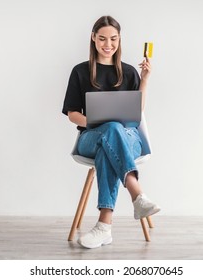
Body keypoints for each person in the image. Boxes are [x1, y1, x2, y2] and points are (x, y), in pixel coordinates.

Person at [62, 15, 160, 249]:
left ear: (119, 40)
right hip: (91, 137)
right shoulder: (80, 71)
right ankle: (137, 194)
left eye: (113, 39)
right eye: (103, 38)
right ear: (93, 38)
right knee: (110, 131)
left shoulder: (128, 72)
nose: (108, 44)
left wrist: (144, 80)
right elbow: (72, 113)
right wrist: (98, 123)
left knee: (113, 136)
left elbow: (137, 112)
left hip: (128, 138)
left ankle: (104, 227)